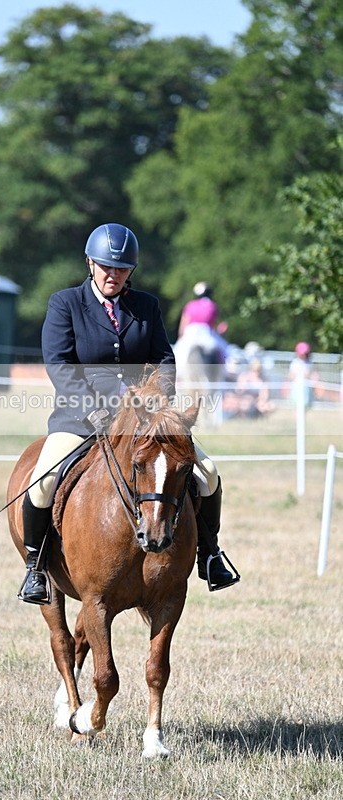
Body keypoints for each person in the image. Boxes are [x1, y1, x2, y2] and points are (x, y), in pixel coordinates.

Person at [18, 223, 239, 604]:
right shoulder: (65, 304)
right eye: (106, 266)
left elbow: (164, 361)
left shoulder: (146, 307)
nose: (113, 274)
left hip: (146, 423)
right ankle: (35, 569)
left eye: (121, 268)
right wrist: (99, 412)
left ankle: (210, 554)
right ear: (90, 263)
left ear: (130, 271)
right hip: (81, 419)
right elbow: (60, 366)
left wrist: (158, 403)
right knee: (42, 481)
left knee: (207, 473)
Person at [288, 342, 319, 409]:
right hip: (297, 387)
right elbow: (291, 375)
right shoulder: (295, 362)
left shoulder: (309, 363)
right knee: (296, 405)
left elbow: (314, 375)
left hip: (307, 387)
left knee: (306, 405)